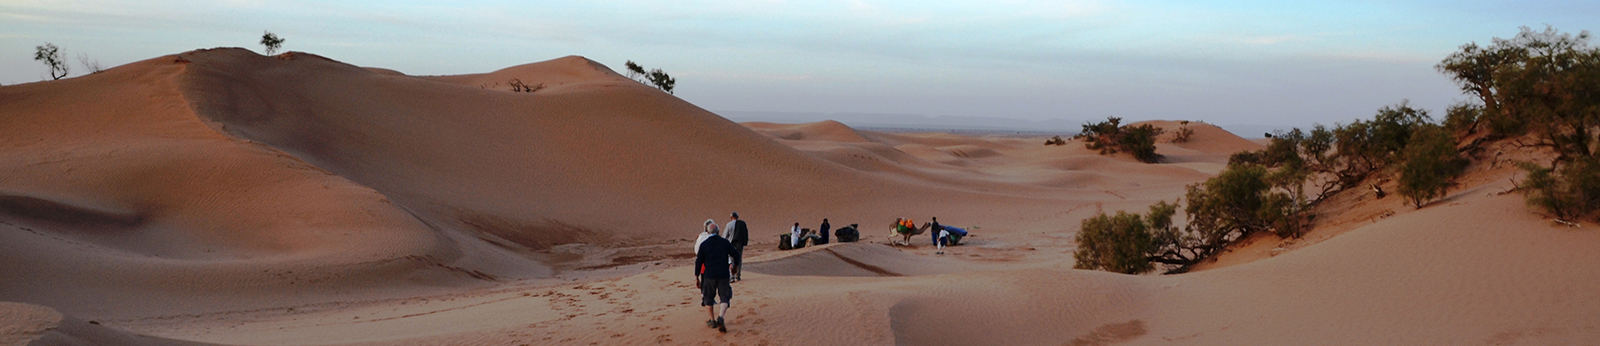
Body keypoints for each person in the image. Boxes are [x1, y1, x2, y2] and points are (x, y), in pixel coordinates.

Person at [695, 227, 740, 333]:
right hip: (723, 274)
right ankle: (721, 316)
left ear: (708, 233)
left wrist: (696, 276)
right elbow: (736, 254)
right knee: (725, 296)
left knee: (708, 297)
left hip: (709, 275)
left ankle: (712, 320)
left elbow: (699, 261)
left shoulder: (705, 244)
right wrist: (735, 266)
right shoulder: (724, 242)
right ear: (718, 232)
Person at [724, 212, 749, 281]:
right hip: (740, 244)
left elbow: (725, 235)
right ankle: (738, 275)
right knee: (739, 259)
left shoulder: (729, 224)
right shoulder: (742, 224)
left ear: (731, 217)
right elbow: (746, 233)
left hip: (731, 244)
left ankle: (732, 276)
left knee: (731, 259)